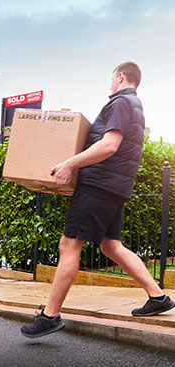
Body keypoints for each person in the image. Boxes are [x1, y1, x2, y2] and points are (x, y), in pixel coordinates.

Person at [21, 62, 174, 338]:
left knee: (69, 244)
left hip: (98, 186)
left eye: (111, 79)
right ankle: (158, 296)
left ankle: (50, 315)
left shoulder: (121, 103)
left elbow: (109, 144)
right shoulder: (133, 105)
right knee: (111, 246)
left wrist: (69, 163)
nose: (110, 85)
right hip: (114, 187)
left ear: (120, 76)